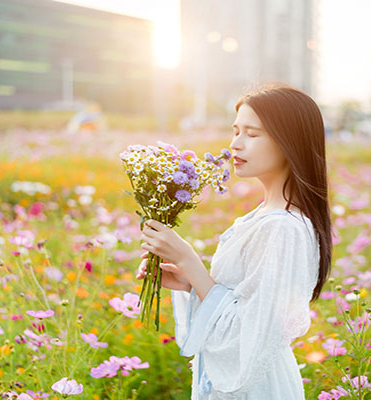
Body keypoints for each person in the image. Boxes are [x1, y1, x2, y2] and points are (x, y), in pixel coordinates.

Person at [136, 83, 333, 399]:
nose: (235, 146)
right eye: (235, 131)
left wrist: (189, 260)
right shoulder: (263, 216)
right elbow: (243, 301)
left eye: (252, 134)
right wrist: (190, 283)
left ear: (289, 142)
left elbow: (251, 336)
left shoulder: (283, 228)